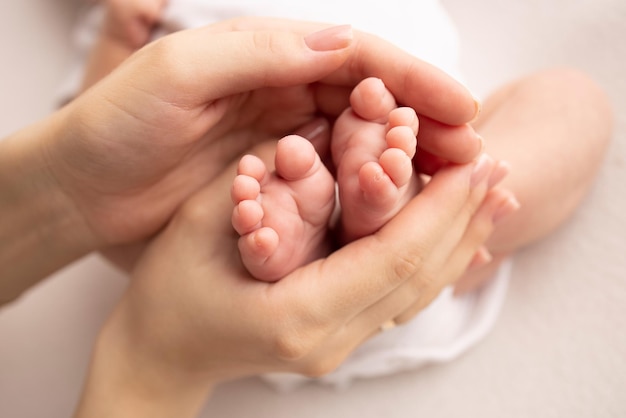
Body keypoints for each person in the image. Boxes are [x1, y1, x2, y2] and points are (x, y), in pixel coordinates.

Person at [71, 0, 613, 391]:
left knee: (571, 103)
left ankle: (425, 214)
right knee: (118, 218)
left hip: (415, 137)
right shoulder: (128, 24)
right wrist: (117, 38)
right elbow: (86, 145)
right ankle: (415, 225)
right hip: (223, 259)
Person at [0, 15, 514, 416]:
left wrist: (68, 192)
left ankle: (415, 214)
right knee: (555, 114)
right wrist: (117, 31)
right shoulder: (144, 23)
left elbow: (77, 165)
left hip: (275, 200)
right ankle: (421, 216)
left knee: (522, 136)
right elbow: (90, 117)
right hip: (200, 261)